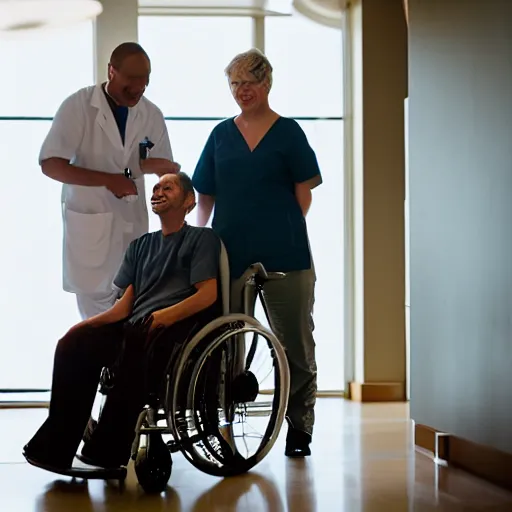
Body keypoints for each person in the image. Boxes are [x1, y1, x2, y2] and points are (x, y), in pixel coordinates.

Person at [23, 172, 221, 472]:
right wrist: (85, 326)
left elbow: (207, 295)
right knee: (73, 345)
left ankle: (106, 452)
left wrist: (161, 317)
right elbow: (123, 307)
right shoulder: (141, 246)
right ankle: (53, 448)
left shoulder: (202, 239)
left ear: (189, 201)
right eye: (155, 187)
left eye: (168, 187)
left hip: (175, 328)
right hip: (136, 324)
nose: (159, 191)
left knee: (136, 341)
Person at [192, 48, 322, 458]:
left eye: (249, 82)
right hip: (230, 253)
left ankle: (299, 428)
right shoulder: (219, 135)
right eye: (234, 84)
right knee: (226, 342)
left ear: (267, 84)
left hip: (287, 255)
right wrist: (194, 245)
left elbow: (304, 197)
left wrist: (276, 228)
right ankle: (224, 423)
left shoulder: (289, 133)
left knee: (295, 345)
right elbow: (205, 198)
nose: (241, 91)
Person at [40, 42, 181, 321]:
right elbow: (51, 165)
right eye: (132, 79)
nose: (139, 87)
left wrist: (160, 172)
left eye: (145, 80)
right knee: (97, 330)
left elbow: (162, 169)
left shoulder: (151, 114)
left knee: (134, 322)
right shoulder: (79, 107)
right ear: (111, 71)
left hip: (134, 230)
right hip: (91, 230)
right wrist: (108, 181)